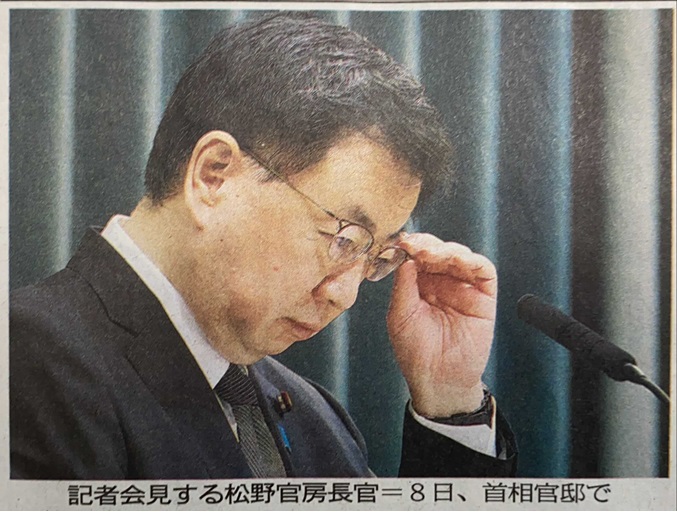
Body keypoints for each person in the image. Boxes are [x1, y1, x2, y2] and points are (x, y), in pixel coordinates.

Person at [10, 13, 516, 479]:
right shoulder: (27, 360)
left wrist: (450, 402)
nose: (345, 296)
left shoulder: (318, 418)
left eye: (377, 258)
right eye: (344, 238)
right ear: (214, 175)